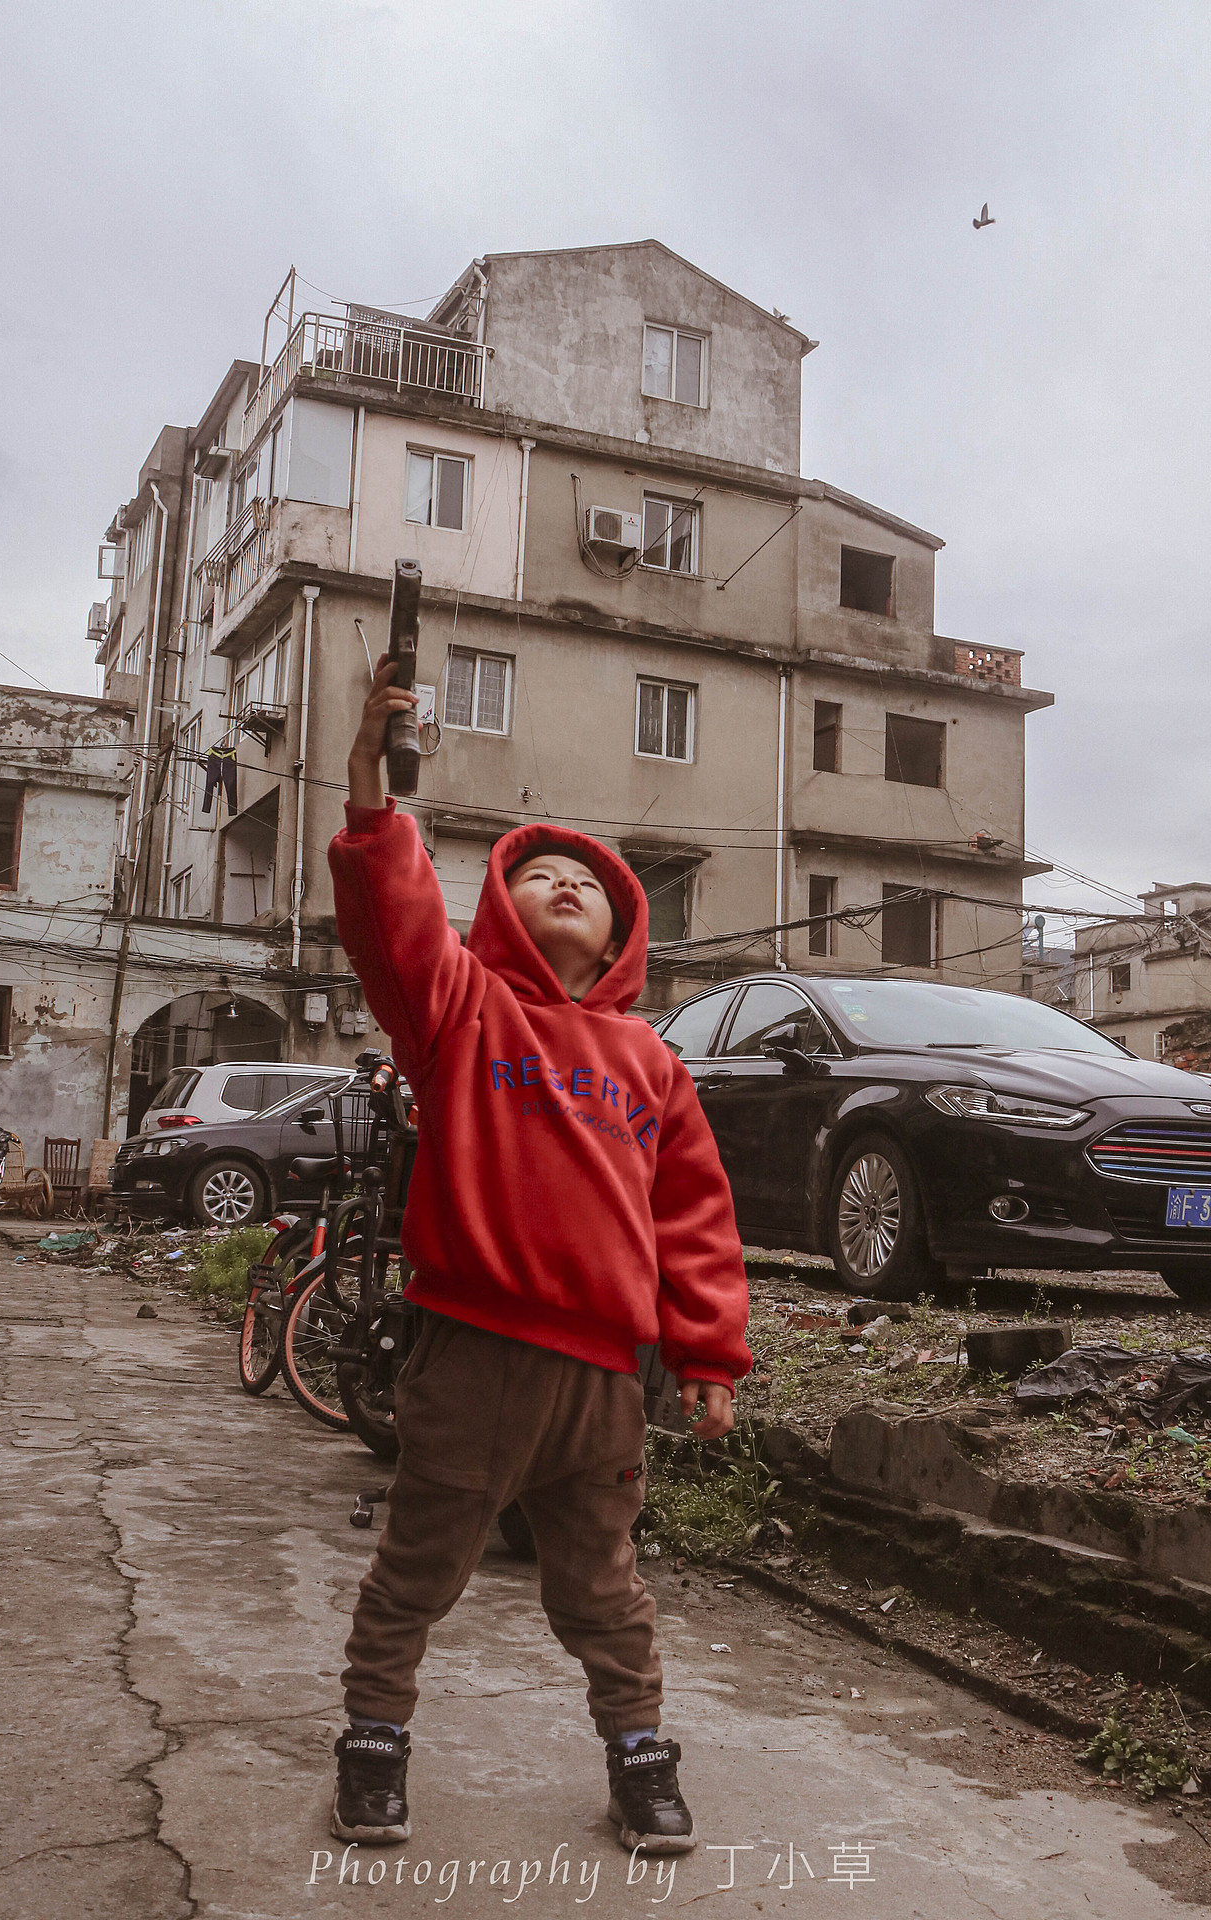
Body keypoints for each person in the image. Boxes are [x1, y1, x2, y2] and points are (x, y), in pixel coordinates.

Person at [325, 657, 752, 1855]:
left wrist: (706, 1353)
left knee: (602, 1591)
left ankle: (638, 1757)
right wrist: (371, 777)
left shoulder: (650, 1062)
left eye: (584, 881)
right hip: (471, 1357)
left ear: (623, 927)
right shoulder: (459, 1010)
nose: (561, 884)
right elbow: (391, 915)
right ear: (500, 918)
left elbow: (694, 1218)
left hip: (602, 1381)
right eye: (534, 877)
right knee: (420, 1565)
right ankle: (372, 1738)